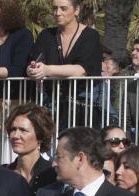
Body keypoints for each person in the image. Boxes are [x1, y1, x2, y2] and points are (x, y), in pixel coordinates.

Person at [27, 0, 103, 129]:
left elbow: (81, 70)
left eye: (63, 8)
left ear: (77, 10)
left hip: (83, 105)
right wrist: (32, 69)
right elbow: (33, 62)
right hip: (50, 104)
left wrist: (47, 70)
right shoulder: (46, 35)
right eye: (55, 8)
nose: (58, 13)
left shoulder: (91, 35)